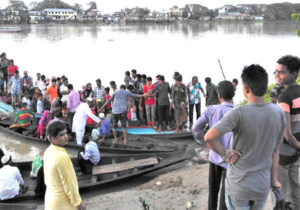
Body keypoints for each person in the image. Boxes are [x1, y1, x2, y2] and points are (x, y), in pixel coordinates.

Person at [204, 64, 285, 210]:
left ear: (246, 88)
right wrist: (274, 180)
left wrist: (226, 153)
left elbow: (209, 137)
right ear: (265, 87)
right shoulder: (278, 113)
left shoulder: (238, 113)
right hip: (262, 185)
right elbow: (276, 150)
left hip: (239, 186)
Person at [192, 80, 235, 210]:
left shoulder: (211, 110)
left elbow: (195, 128)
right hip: (231, 159)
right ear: (233, 95)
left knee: (213, 192)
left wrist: (203, 141)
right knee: (226, 194)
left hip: (215, 155)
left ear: (219, 96)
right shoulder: (239, 112)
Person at [275, 55, 300, 210]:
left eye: (281, 72)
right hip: (296, 152)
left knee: (280, 194)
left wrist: (297, 144)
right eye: (275, 72)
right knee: (295, 188)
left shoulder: (284, 97)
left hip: (283, 154)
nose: (277, 75)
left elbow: (286, 133)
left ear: (293, 74)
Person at [44, 121, 86, 210]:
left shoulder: (48, 151)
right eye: (61, 135)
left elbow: (47, 179)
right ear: (52, 138)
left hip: (51, 200)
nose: (66, 136)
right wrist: (78, 202)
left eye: (66, 133)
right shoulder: (61, 156)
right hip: (62, 203)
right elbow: (69, 184)